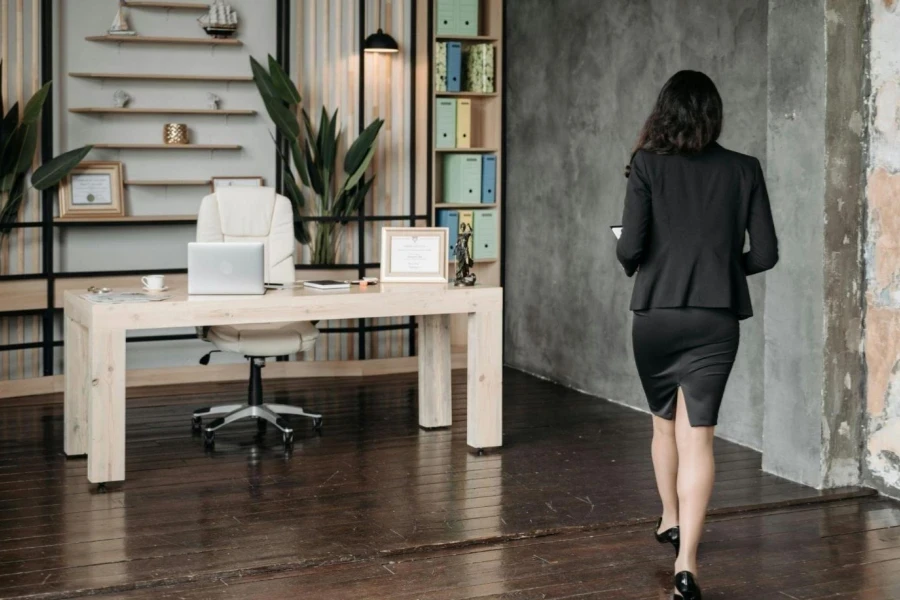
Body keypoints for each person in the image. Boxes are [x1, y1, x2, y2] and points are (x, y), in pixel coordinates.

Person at [616, 70, 778, 600]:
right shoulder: (744, 168)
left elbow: (629, 249)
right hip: (716, 318)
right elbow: (766, 253)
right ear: (714, 114)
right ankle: (687, 565)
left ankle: (670, 517)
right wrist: (721, 269)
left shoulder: (645, 165)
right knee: (700, 435)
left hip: (657, 314)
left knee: (664, 426)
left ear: (665, 112)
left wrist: (639, 253)